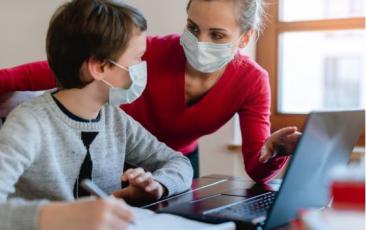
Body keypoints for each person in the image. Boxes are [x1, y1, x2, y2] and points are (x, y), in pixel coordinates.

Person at [0, 0, 300, 180]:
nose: (199, 41)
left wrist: (275, 152)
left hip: (177, 162)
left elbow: (255, 169)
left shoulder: (252, 82)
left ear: (245, 37)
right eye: (193, 28)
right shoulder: (149, 53)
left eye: (217, 34)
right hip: (117, 155)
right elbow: (55, 69)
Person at [0, 1, 193, 230]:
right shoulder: (28, 123)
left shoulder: (115, 119)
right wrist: (56, 217)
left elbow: (179, 162)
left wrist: (157, 185)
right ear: (99, 67)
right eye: (137, 58)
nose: (142, 66)